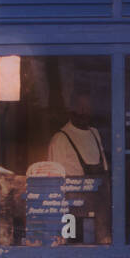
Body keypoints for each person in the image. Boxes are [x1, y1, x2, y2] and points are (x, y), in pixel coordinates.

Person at [47, 91, 110, 243]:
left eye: (87, 108)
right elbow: (54, 186)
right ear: (71, 110)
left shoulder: (95, 133)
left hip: (100, 209)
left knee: (103, 246)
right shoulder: (60, 139)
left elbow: (105, 172)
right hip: (72, 213)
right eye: (80, 107)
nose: (84, 112)